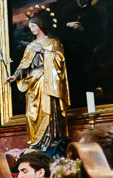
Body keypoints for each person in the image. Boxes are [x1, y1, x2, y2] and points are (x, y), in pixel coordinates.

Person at [7, 12, 69, 148]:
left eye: (33, 26)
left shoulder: (53, 42)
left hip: (46, 80)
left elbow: (60, 60)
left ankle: (49, 139)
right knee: (31, 113)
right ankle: (36, 141)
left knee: (47, 109)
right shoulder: (30, 46)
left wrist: (42, 51)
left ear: (40, 26)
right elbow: (24, 64)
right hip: (32, 82)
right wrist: (16, 75)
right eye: (30, 27)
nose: (32, 29)